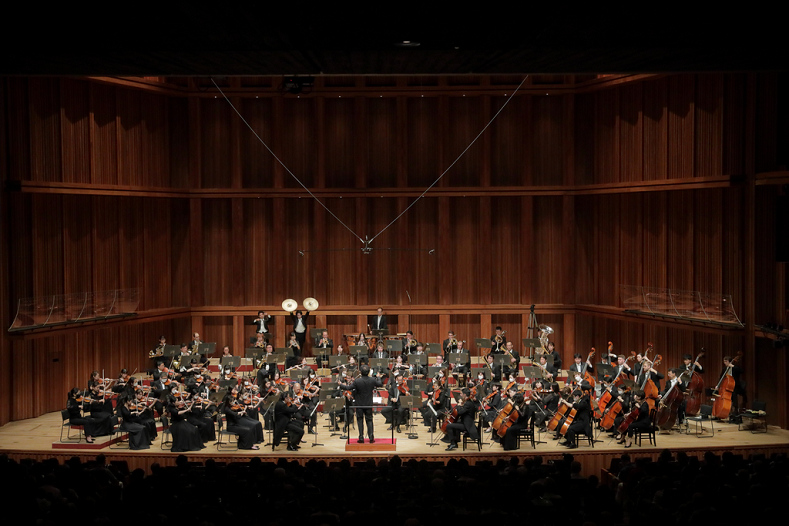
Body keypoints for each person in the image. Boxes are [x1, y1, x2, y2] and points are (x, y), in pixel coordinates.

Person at [339, 364, 382, 443]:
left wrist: (340, 385)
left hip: (359, 404)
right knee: (369, 420)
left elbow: (348, 388)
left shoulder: (357, 381)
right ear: (368, 372)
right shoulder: (372, 380)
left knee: (360, 420)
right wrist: (378, 376)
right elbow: (380, 384)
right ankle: (371, 437)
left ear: (361, 372)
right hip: (368, 404)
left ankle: (361, 438)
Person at [558, 382, 592, 449]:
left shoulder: (586, 400)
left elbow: (579, 406)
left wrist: (574, 404)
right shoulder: (584, 398)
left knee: (571, 428)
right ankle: (568, 441)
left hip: (583, 423)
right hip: (579, 420)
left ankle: (573, 444)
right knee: (567, 425)